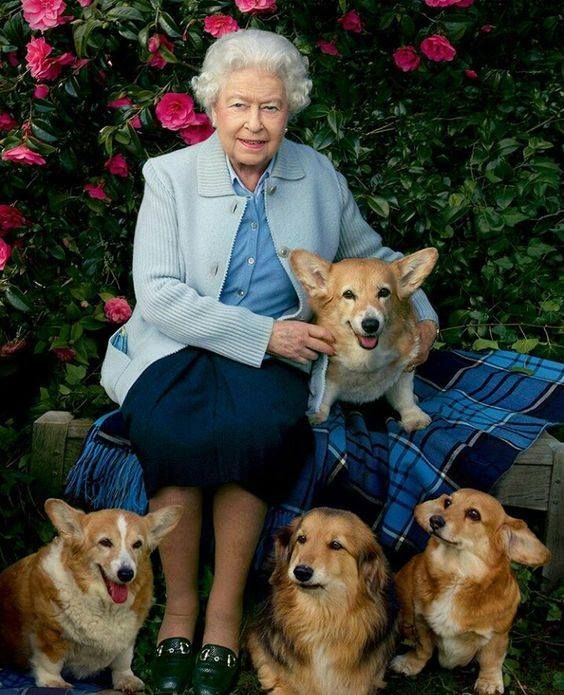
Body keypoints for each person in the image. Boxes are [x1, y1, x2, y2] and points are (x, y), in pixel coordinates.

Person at [100, 28, 438, 695]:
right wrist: (265, 334)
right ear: (213, 107)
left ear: (291, 109)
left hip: (275, 359)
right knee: (171, 431)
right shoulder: (169, 178)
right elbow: (161, 296)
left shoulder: (315, 175)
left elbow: (368, 248)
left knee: (259, 432)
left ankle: (223, 617)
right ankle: (179, 611)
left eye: (271, 107)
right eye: (239, 105)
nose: (255, 123)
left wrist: (421, 311)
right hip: (180, 346)